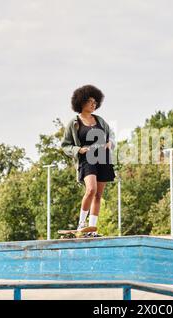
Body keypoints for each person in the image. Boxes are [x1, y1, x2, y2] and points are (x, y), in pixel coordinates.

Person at [61, 84, 116, 235]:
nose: (94, 104)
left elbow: (111, 135)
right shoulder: (74, 123)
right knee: (90, 189)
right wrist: (78, 150)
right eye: (91, 101)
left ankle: (91, 229)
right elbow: (65, 145)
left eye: (95, 102)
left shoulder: (100, 120)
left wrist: (110, 143)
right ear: (82, 102)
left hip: (103, 158)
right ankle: (81, 224)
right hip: (87, 159)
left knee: (98, 194)